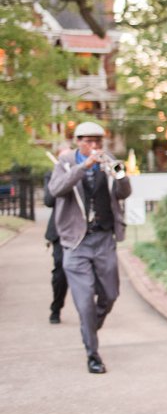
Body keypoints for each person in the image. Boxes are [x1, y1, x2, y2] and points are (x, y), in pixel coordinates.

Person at [48, 122, 131, 374]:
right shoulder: (64, 162)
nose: (94, 146)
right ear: (78, 141)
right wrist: (82, 168)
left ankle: (90, 325)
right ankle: (92, 354)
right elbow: (55, 190)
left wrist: (120, 175)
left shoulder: (110, 160)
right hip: (75, 242)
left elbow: (124, 193)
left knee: (111, 294)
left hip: (104, 239)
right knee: (84, 302)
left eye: (98, 141)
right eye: (88, 141)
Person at [44, 146, 69, 324]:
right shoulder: (51, 174)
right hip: (60, 231)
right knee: (60, 271)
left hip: (83, 230)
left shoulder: (82, 172)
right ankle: (56, 308)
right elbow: (49, 200)